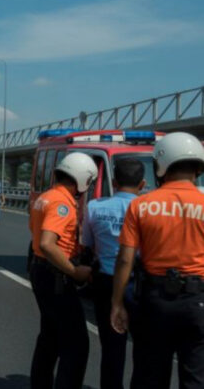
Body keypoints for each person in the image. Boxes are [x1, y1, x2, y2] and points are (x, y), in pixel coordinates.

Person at [111, 132, 204, 388]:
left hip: (155, 301)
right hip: (197, 302)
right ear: (198, 167)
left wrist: (117, 303)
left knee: (149, 377)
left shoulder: (141, 205)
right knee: (196, 378)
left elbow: (125, 260)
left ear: (160, 166)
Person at [29, 152, 97, 389]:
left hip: (40, 271)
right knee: (76, 344)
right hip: (56, 275)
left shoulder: (45, 197)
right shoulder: (62, 203)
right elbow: (48, 243)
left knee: (49, 338)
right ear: (82, 179)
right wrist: (74, 271)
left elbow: (36, 237)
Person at [81, 158, 145, 389]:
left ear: (114, 182)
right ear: (143, 183)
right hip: (139, 284)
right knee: (144, 349)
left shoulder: (95, 207)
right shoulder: (148, 208)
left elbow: (87, 243)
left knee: (112, 347)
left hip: (105, 282)